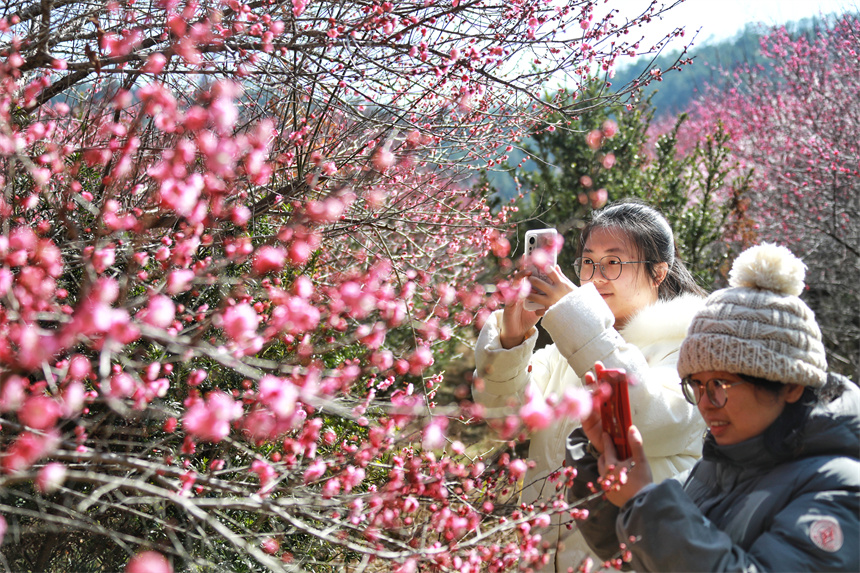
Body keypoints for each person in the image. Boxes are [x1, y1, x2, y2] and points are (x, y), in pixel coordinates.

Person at [567, 243, 860, 572]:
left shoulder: (839, 489)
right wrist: (598, 458)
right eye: (696, 384)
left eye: (721, 384)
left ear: (790, 386)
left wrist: (644, 502)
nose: (706, 404)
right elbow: (631, 555)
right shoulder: (715, 467)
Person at [473, 200, 708, 572]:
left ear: (659, 272)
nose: (596, 276)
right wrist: (511, 342)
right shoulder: (567, 352)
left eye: (614, 262)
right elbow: (504, 420)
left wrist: (574, 318)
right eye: (588, 261)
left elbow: (650, 419)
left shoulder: (688, 350)